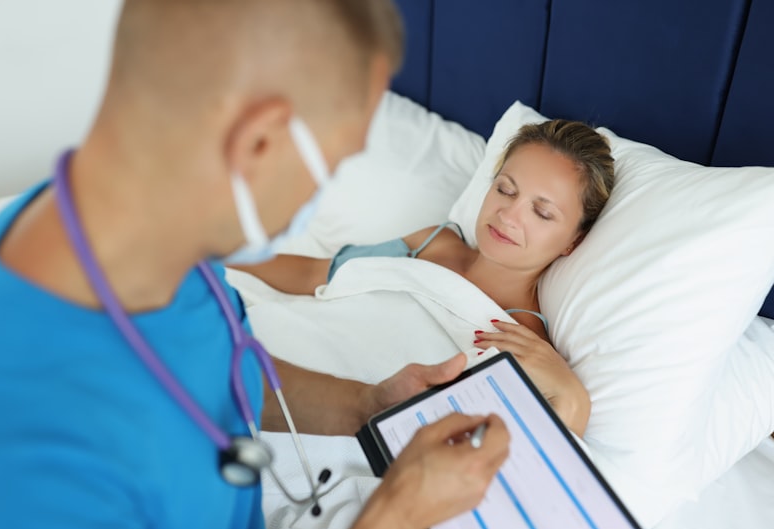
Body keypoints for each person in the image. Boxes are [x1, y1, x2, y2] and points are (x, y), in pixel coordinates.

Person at [0, 1, 510, 529]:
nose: (321, 189)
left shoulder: (143, 235)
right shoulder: (29, 458)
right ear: (258, 142)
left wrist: (366, 404)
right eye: (333, 163)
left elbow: (225, 368)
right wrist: (395, 516)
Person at [232, 119, 616, 438]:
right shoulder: (432, 243)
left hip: (331, 429)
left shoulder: (527, 344)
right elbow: (315, 273)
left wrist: (572, 399)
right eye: (505, 189)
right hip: (268, 355)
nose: (509, 215)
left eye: (542, 213)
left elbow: (535, 474)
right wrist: (212, 254)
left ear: (573, 242)